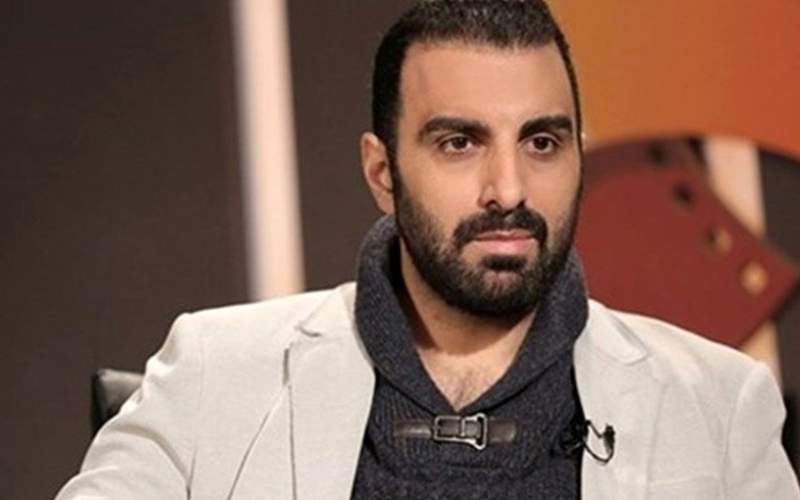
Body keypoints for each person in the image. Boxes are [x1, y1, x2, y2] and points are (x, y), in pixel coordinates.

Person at [56, 1, 799, 499]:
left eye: (542, 142)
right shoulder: (213, 374)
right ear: (382, 173)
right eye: (459, 143)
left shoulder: (719, 407)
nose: (508, 188)